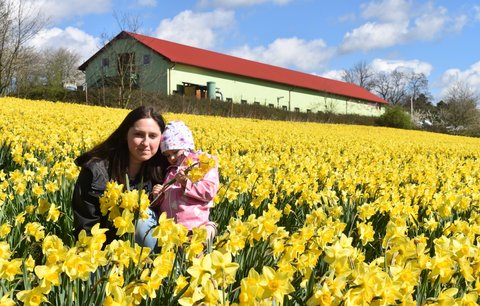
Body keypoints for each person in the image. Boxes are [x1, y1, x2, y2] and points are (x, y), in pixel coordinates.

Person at [71, 106, 169, 246]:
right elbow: (87, 226)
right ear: (125, 134)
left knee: (141, 219)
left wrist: (211, 227)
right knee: (140, 218)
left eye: (153, 136)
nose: (146, 143)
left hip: (149, 254)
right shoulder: (96, 172)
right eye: (139, 135)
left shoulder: (165, 169)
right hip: (108, 252)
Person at [148, 120, 219, 247]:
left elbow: (210, 191)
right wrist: (157, 195)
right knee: (174, 264)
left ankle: (210, 230)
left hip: (193, 227)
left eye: (175, 152)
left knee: (193, 262)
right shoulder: (171, 170)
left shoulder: (203, 164)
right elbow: (166, 199)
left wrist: (187, 183)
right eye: (167, 155)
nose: (172, 158)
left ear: (187, 146)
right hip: (171, 231)